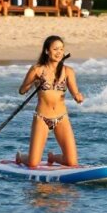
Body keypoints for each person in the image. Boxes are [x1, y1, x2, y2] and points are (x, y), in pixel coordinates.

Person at [16, 36, 84, 167]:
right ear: (47, 51)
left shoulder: (68, 71)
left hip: (62, 117)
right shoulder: (37, 69)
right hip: (42, 117)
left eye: (61, 49)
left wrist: (78, 97)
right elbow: (22, 90)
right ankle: (21, 157)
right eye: (55, 49)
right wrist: (34, 82)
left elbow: (75, 92)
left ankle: (52, 157)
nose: (59, 52)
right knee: (33, 163)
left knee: (71, 162)